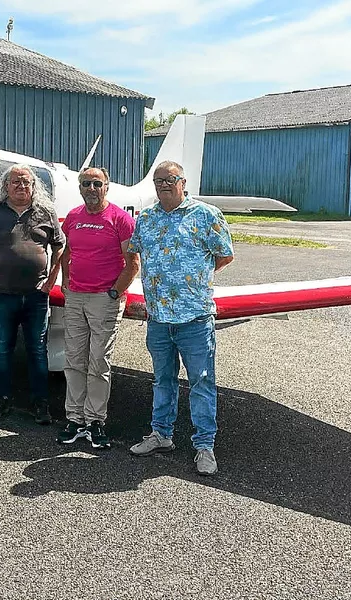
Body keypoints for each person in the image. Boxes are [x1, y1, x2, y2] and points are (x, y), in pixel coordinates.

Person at [125, 160, 235, 476]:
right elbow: (134, 253)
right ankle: (160, 434)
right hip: (158, 317)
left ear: (182, 182)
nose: (163, 184)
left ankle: (204, 447)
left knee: (201, 382)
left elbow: (225, 255)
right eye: (158, 180)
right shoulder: (146, 218)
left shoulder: (206, 215)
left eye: (170, 179)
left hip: (195, 318)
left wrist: (194, 279)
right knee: (162, 380)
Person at [0, 164, 65, 424]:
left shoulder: (46, 212)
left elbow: (60, 248)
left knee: (37, 349)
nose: (21, 186)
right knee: (2, 348)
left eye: (26, 182)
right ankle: (1, 400)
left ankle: (40, 403)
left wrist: (51, 280)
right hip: (3, 294)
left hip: (36, 296)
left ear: (33, 186)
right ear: (5, 186)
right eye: (16, 182)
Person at [56, 167, 135, 450]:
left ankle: (95, 420)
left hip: (105, 298)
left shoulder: (121, 219)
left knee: (98, 360)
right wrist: (66, 283)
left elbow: (132, 262)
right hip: (76, 296)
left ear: (106, 187)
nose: (91, 188)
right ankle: (74, 418)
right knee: (74, 359)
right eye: (86, 183)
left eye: (96, 183)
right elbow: (66, 252)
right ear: (79, 188)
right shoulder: (74, 217)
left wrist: (116, 291)